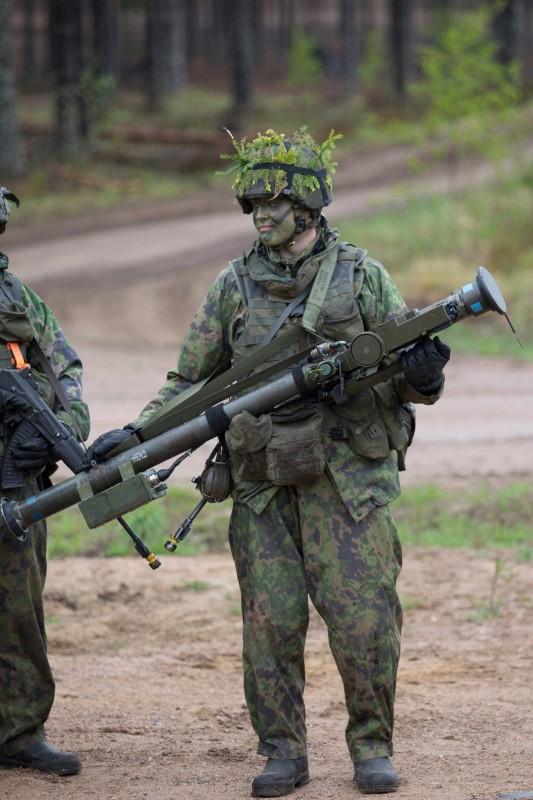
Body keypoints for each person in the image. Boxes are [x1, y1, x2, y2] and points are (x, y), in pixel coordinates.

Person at [88, 128, 450, 795]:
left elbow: (402, 365)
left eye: (274, 201)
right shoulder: (234, 285)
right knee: (269, 622)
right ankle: (281, 752)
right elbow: (190, 379)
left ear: (308, 205)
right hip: (260, 481)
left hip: (347, 480)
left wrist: (423, 378)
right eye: (252, 202)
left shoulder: (360, 275)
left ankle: (371, 747)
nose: (261, 214)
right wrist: (136, 431)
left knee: (364, 618)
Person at [0, 187, 90, 776]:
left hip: (15, 484)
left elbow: (66, 373)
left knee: (18, 610)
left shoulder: (18, 300)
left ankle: (19, 730)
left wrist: (60, 427)